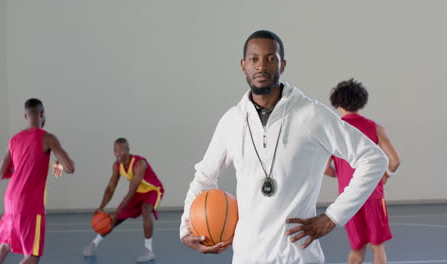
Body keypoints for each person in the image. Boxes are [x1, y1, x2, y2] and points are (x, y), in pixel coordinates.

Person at [179, 30, 389, 263]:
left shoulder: (312, 114)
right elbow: (204, 176)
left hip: (297, 256)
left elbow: (374, 159)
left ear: (283, 64)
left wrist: (333, 217)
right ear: (243, 65)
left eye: (271, 58)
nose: (261, 66)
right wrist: (187, 228)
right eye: (253, 59)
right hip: (248, 256)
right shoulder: (232, 120)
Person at [0, 98, 75, 264]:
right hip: (29, 204)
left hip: (10, 201)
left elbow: (0, 174)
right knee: (32, 255)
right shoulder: (48, 138)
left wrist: (21, 168)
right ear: (42, 114)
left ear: (25, 116)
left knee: (5, 244)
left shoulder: (14, 140)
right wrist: (66, 161)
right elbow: (70, 168)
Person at [324, 78, 401, 264]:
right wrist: (384, 177)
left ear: (337, 102)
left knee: (357, 249)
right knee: (378, 248)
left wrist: (339, 173)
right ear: (360, 101)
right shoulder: (375, 128)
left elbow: (325, 168)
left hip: (348, 198)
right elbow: (395, 161)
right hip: (373, 196)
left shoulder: (334, 131)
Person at [83, 138, 164, 263]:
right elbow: (111, 187)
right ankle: (94, 243)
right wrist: (101, 207)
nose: (118, 153)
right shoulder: (117, 166)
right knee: (114, 219)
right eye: (115, 150)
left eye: (121, 150)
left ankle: (149, 250)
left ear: (128, 150)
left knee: (145, 210)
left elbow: (131, 192)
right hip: (137, 193)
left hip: (152, 190)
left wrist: (117, 211)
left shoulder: (139, 164)